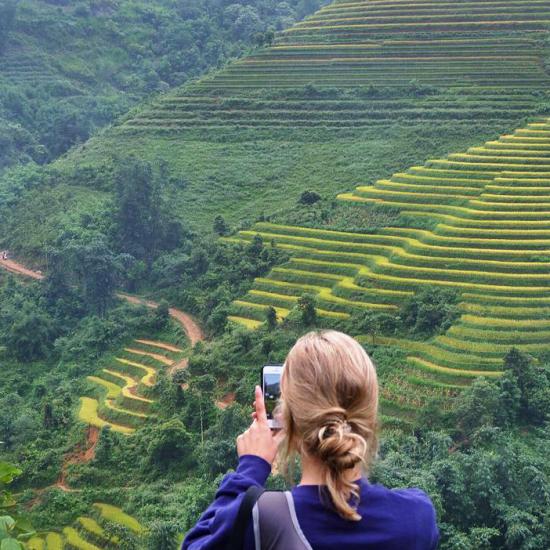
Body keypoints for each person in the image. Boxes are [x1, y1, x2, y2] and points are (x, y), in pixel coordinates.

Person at [182, 330, 439, 549]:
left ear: (287, 418)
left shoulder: (261, 520)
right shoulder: (417, 518)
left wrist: (250, 467)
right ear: (370, 416)